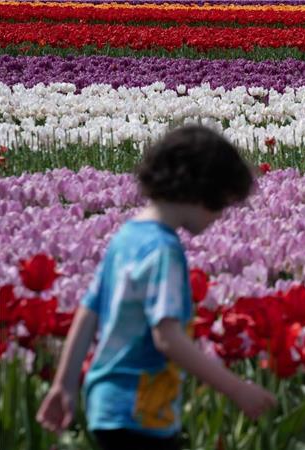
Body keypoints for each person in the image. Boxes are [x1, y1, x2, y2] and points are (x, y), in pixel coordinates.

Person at [36, 126, 276, 450]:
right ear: (201, 190)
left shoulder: (126, 237)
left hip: (105, 404)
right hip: (142, 409)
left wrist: (63, 385)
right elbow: (167, 338)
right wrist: (236, 388)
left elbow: (88, 312)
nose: (219, 217)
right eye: (221, 204)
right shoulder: (164, 251)